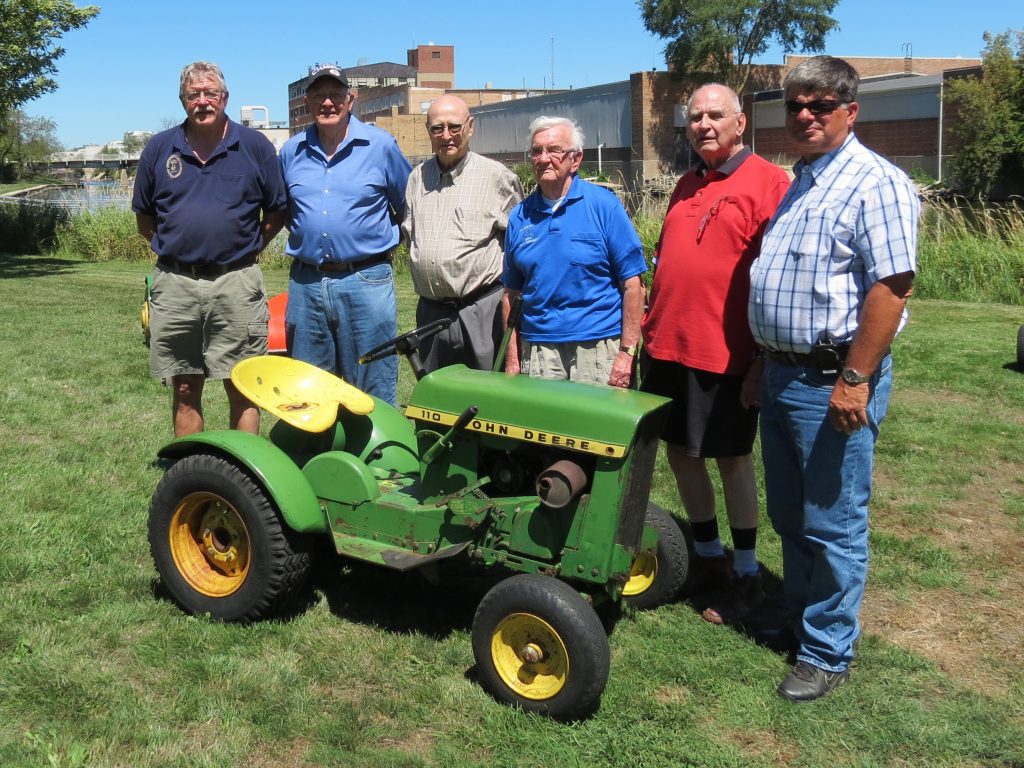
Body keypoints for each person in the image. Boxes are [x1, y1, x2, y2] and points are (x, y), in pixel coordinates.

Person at [748, 56, 919, 702]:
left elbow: (893, 285)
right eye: (795, 105)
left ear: (851, 110)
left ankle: (827, 650)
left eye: (819, 106)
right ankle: (798, 617)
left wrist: (855, 377)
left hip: (832, 381)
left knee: (834, 519)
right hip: (782, 374)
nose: (804, 116)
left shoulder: (875, 182)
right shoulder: (804, 180)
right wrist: (763, 361)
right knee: (790, 513)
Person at [640, 84, 790, 624]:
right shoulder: (686, 184)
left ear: (740, 123)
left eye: (715, 116)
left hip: (724, 355)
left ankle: (746, 572)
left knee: (731, 459)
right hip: (667, 349)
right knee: (680, 453)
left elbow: (779, 279)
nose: (704, 124)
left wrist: (761, 360)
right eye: (695, 117)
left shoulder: (771, 184)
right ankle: (707, 558)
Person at [133, 61, 287, 437]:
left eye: (210, 93)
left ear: (225, 98)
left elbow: (278, 209)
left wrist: (251, 248)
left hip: (236, 282)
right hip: (176, 285)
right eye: (194, 95)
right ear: (183, 100)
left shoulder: (254, 146)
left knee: (243, 385)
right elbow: (144, 218)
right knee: (185, 387)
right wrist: (175, 251)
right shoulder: (159, 148)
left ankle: (241, 479)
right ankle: (192, 477)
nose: (202, 101)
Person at [279, 64, 411, 406]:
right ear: (307, 102)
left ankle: (379, 459)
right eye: (319, 96)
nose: (327, 103)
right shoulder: (290, 152)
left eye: (335, 95)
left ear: (350, 99)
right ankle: (317, 458)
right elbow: (285, 210)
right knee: (307, 389)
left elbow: (407, 204)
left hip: (365, 281)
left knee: (373, 384)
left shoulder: (381, 146)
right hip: (306, 284)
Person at [502, 116, 645, 387]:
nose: (543, 158)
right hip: (539, 350)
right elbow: (511, 294)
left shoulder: (604, 206)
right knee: (543, 427)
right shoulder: (520, 216)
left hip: (598, 349)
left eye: (554, 150)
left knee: (597, 427)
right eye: (536, 151)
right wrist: (512, 357)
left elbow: (634, 285)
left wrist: (626, 354)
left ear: (575, 159)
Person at [403, 95, 524, 372]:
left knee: (486, 401)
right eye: (437, 128)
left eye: (454, 127)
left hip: (480, 310)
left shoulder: (498, 178)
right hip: (431, 314)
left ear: (470, 127)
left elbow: (518, 249)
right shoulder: (416, 178)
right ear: (428, 131)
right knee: (437, 404)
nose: (446, 136)